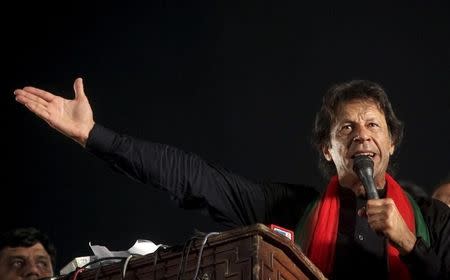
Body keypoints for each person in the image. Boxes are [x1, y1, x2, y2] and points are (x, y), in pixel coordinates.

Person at [13, 78, 450, 279]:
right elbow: (193, 177)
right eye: (346, 129)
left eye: (373, 126)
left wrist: (410, 244)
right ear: (327, 148)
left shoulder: (436, 220)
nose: (361, 137)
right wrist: (94, 136)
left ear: (392, 142)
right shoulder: (291, 210)